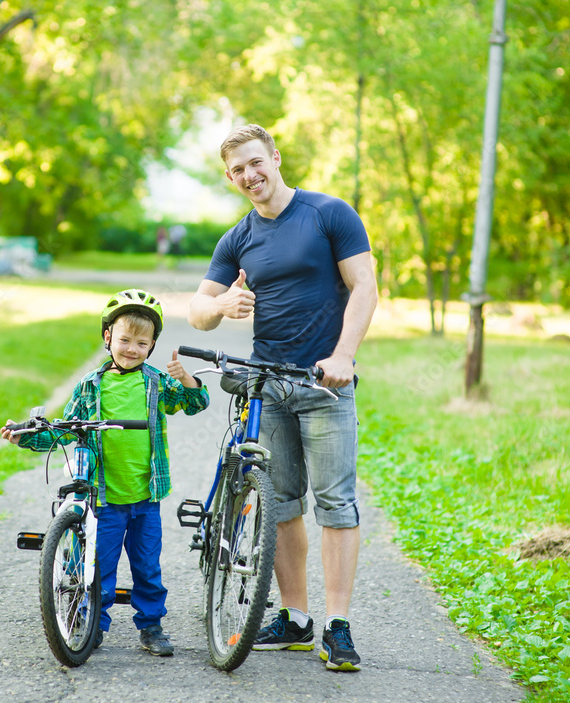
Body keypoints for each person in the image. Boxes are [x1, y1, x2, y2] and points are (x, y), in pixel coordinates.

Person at [188, 124, 378, 672]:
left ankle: (337, 627)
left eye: (255, 162)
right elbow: (198, 311)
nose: (250, 176)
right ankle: (296, 619)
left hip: (324, 384)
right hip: (266, 386)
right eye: (237, 171)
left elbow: (364, 287)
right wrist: (223, 305)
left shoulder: (329, 214)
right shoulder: (238, 238)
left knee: (336, 504)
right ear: (230, 179)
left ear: (275, 157)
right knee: (283, 505)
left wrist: (343, 356)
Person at [2, 289, 209, 656]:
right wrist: (26, 437)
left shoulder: (157, 383)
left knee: (147, 568)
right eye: (125, 340)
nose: (131, 348)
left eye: (141, 343)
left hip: (145, 497)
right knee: (99, 566)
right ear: (108, 338)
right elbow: (64, 428)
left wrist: (188, 380)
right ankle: (92, 624)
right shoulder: (90, 385)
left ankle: (151, 626)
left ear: (152, 346)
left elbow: (195, 403)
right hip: (105, 498)